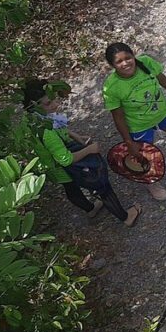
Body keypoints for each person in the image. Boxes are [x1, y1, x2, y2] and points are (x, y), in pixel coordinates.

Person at [24, 79, 141, 226]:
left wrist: (75, 136)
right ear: (34, 106)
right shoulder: (46, 132)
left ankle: (90, 209)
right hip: (62, 163)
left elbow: (58, 128)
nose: (55, 104)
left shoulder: (36, 119)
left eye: (54, 98)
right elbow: (65, 160)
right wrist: (89, 150)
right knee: (101, 184)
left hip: (55, 164)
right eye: (48, 103)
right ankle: (125, 217)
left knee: (71, 188)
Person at [102, 43, 166, 201]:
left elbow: (161, 79)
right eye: (119, 61)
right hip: (138, 125)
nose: (125, 63)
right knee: (143, 157)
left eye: (128, 58)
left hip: (162, 112)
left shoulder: (146, 62)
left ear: (133, 56)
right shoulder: (111, 87)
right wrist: (128, 141)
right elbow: (118, 116)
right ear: (112, 65)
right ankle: (151, 181)